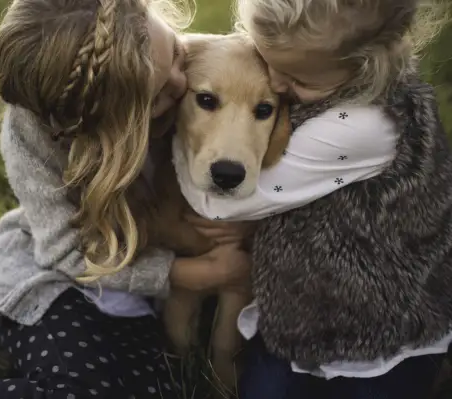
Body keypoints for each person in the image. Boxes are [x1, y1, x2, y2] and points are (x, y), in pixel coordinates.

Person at [0, 0, 251, 398]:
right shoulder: (35, 133)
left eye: (178, 52)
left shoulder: (180, 57)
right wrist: (197, 273)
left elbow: (294, 64)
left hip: (143, 289)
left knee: (157, 388)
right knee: (91, 391)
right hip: (63, 281)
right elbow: (67, 253)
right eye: (156, 97)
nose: (183, 83)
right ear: (96, 124)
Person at [175, 0, 452, 398]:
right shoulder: (325, 69)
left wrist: (181, 144)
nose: (275, 81)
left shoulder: (365, 125)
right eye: (267, 59)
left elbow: (222, 204)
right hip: (294, 309)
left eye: (295, 77)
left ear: (363, 67)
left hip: (384, 329)